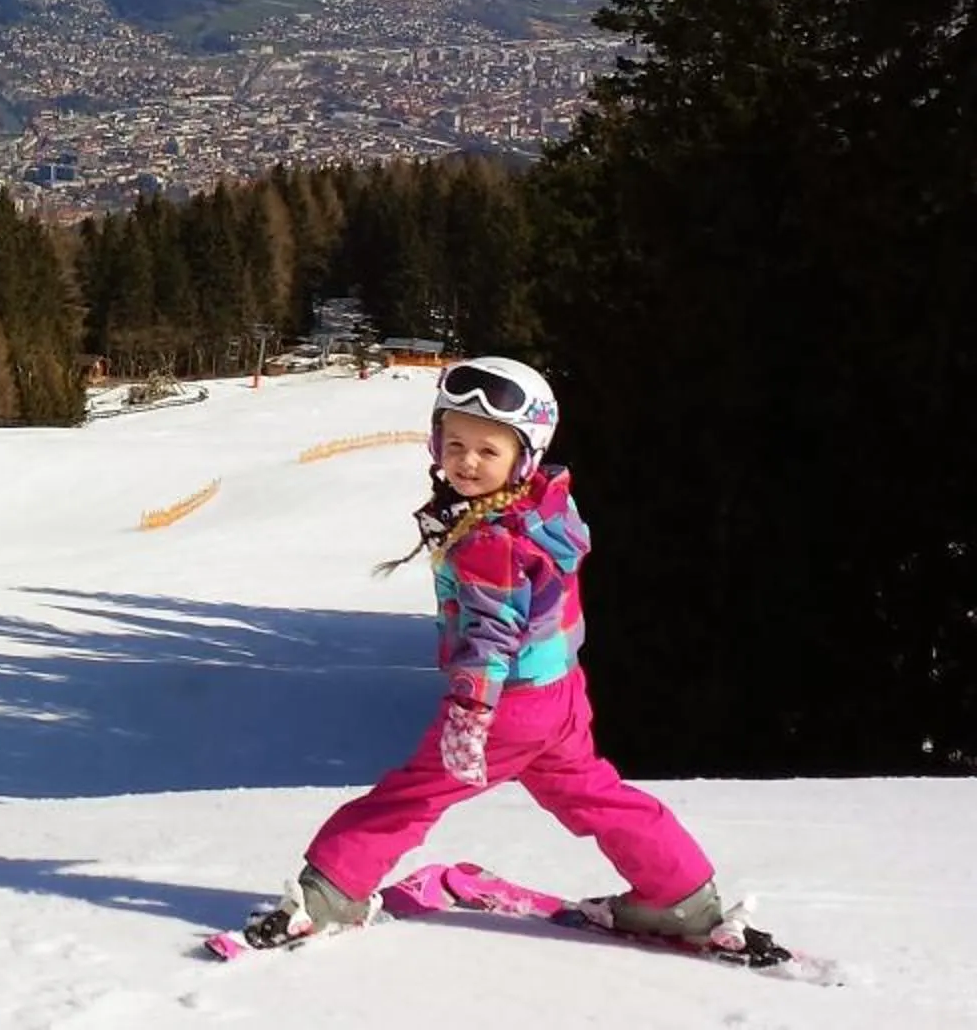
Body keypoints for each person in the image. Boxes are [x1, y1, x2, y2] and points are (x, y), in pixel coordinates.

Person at [244, 357, 732, 951]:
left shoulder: (490, 541)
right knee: (591, 790)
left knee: (414, 795)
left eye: (487, 451)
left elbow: (490, 633)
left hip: (507, 703)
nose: (466, 462)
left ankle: (330, 894)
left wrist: (470, 713)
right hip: (559, 690)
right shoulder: (544, 507)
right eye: (455, 444)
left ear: (522, 456)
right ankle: (680, 895)